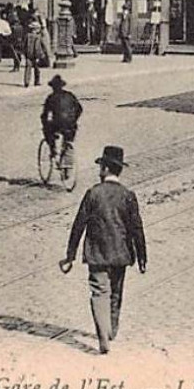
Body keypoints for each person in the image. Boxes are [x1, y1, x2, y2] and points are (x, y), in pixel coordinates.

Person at [61, 144, 147, 354]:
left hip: (97, 253)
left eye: (101, 167)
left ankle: (102, 336)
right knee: (116, 293)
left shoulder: (93, 194)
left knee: (99, 292)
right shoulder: (128, 195)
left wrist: (70, 256)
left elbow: (78, 225)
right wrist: (142, 257)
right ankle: (111, 330)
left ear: (106, 169)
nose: (99, 172)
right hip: (121, 253)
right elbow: (137, 228)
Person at [41, 74, 83, 160]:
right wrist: (74, 119)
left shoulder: (51, 97)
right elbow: (79, 109)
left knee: (47, 130)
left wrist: (45, 125)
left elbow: (44, 115)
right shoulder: (70, 95)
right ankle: (67, 154)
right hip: (70, 124)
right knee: (69, 139)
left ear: (53, 87)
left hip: (57, 124)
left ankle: (53, 151)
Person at [24, 13, 49, 87]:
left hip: (28, 54)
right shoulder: (38, 37)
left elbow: (24, 45)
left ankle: (27, 81)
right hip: (36, 55)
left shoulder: (27, 36)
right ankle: (36, 81)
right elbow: (40, 47)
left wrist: (24, 52)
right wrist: (42, 54)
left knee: (28, 68)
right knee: (36, 69)